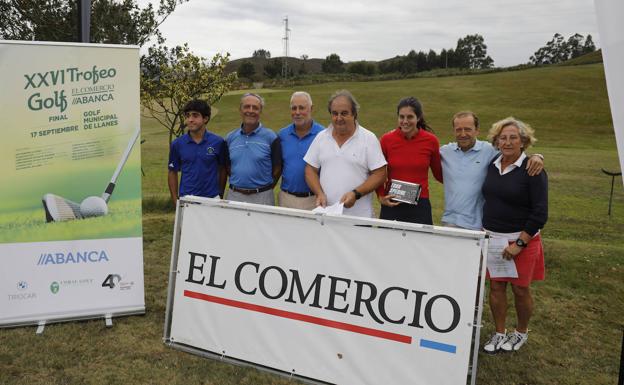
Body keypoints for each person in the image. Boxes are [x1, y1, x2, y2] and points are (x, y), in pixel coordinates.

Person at [480, 117, 548, 354]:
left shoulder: (532, 168)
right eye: (503, 137)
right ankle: (500, 333)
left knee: (520, 289)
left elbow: (540, 213)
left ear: (524, 141)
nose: (507, 142)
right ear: (496, 141)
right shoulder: (492, 164)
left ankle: (520, 332)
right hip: (494, 238)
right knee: (496, 288)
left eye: (513, 137)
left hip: (522, 240)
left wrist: (519, 244)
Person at [440, 111, 544, 230]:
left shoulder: (489, 150)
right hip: (449, 222)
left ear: (477, 130)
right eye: (458, 129)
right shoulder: (445, 152)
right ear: (454, 131)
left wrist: (537, 156)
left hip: (478, 225)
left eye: (468, 129)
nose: (463, 134)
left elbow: (514, 152)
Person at [304, 90, 387, 217]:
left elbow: (380, 174)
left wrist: (356, 193)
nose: (338, 118)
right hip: (327, 215)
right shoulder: (321, 137)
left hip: (359, 218)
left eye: (344, 113)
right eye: (334, 114)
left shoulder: (368, 138)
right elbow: (310, 170)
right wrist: (319, 193)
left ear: (354, 114)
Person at [376, 97, 442, 224]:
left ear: (418, 118)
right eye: (401, 117)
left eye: (410, 117)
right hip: (392, 202)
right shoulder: (386, 140)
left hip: (420, 205)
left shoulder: (431, 141)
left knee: (421, 244)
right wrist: (380, 196)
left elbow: (439, 174)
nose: (405, 121)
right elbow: (377, 172)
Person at [225, 93, 282, 205]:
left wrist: (264, 187)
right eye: (246, 106)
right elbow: (228, 167)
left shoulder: (271, 137)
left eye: (255, 108)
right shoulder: (230, 138)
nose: (250, 110)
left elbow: (278, 168)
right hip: (234, 196)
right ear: (240, 110)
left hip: (262, 197)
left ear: (260, 111)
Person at [167, 99, 227, 204]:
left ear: (205, 118)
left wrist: (220, 194)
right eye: (187, 116)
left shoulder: (218, 142)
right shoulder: (177, 144)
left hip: (212, 199)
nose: (190, 120)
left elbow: (223, 169)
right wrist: (175, 199)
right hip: (187, 200)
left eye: (195, 115)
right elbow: (172, 172)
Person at [278, 91, 324, 210]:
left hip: (313, 199)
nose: (297, 112)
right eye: (294, 108)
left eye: (302, 108)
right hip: (287, 198)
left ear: (311, 108)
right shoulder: (282, 135)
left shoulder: (323, 135)